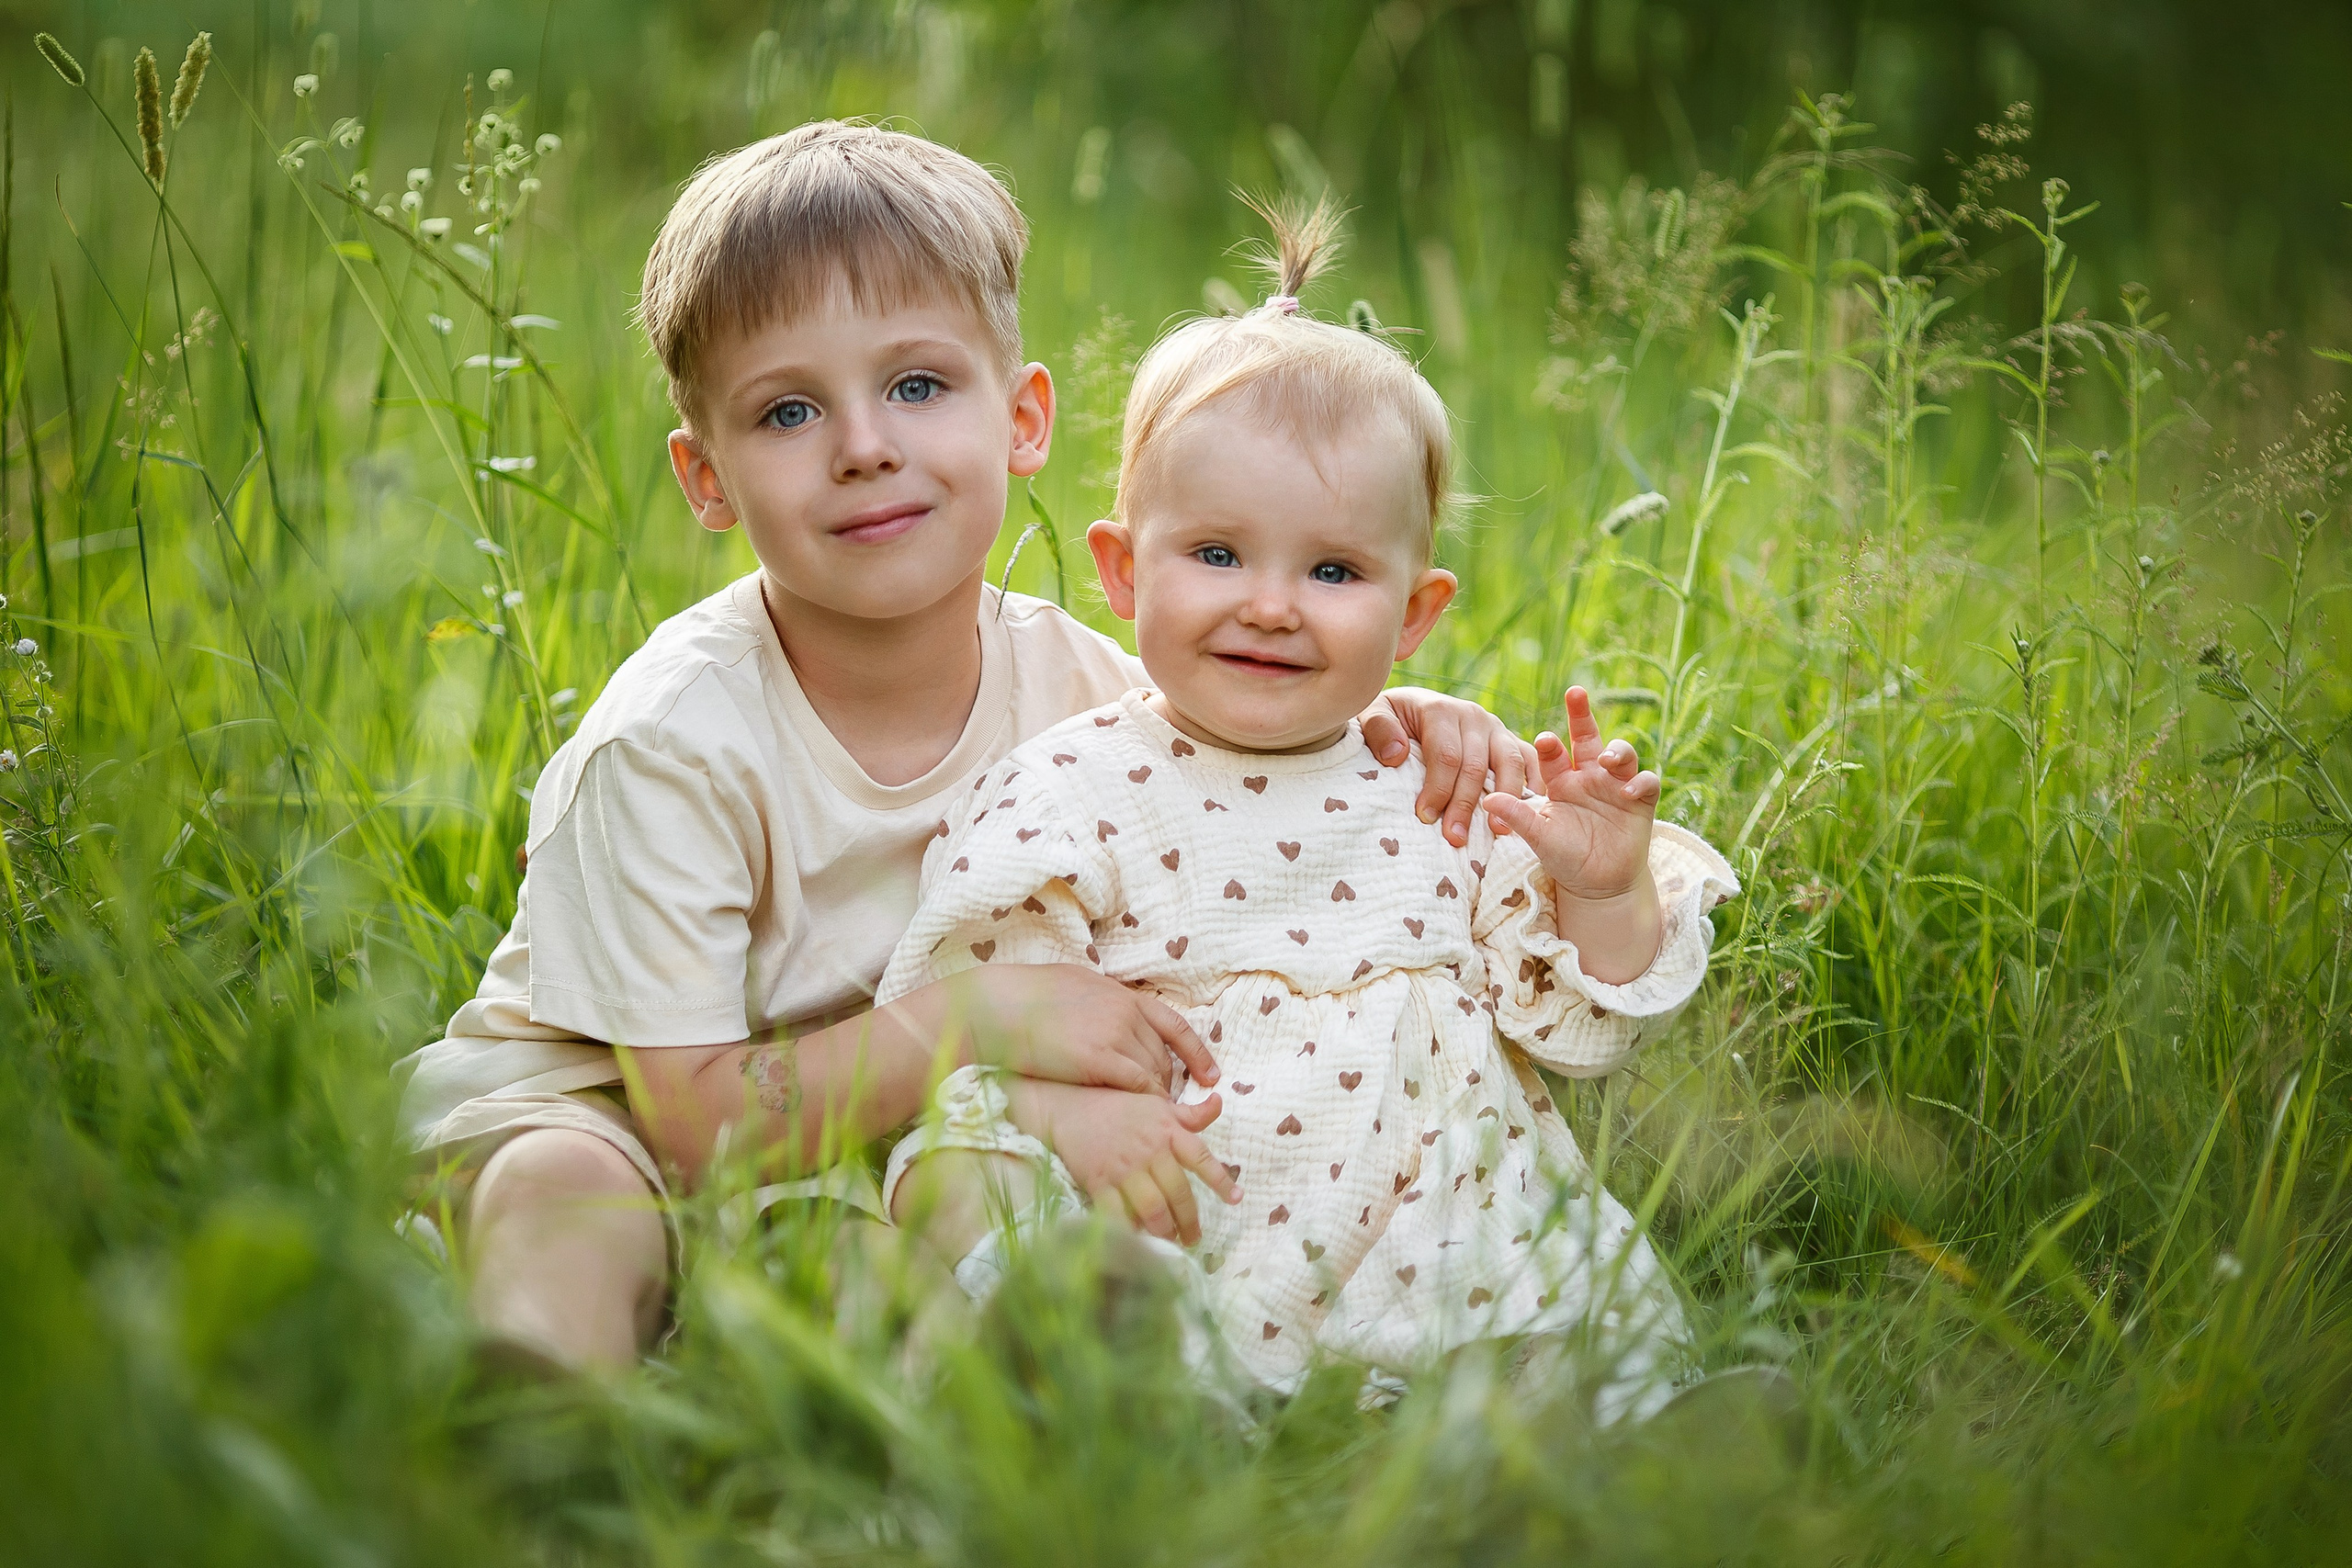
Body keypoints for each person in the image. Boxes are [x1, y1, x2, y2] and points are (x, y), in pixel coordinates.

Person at [394, 124, 1539, 1370]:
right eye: (788, 411)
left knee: (895, 1260)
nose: (864, 446)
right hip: (635, 1115)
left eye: (918, 387)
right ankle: (543, 1391)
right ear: (707, 477)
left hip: (860, 1161)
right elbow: (696, 1129)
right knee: (569, 1195)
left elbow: (1257, 758)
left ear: (1024, 417)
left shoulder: (1086, 690)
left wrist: (1399, 727)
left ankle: (1037, 1387)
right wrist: (978, 1015)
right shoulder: (673, 741)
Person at [878, 197, 1739, 1420]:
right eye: (1217, 555)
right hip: (1193, 1201)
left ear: (1416, 613)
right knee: (997, 1197)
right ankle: (1150, 1398)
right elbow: (981, 1029)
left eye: (1334, 570)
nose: (1273, 605)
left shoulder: (1441, 785)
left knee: (1564, 1334)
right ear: (1123, 570)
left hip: (1451, 1230)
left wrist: (1602, 888)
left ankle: (1638, 1439)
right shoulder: (1070, 792)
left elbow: (1580, 1029)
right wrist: (1063, 1117)